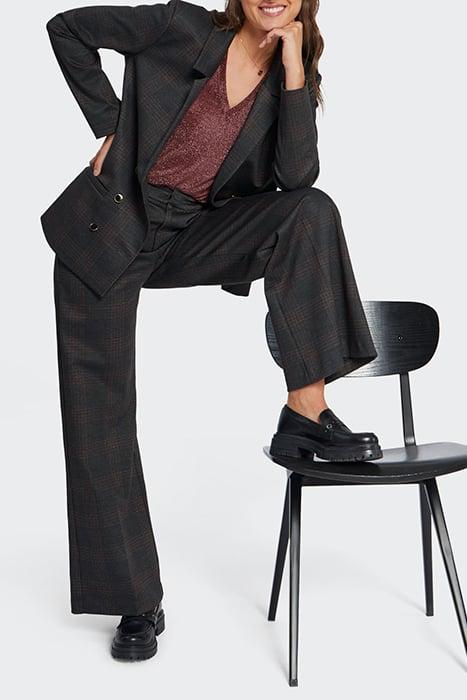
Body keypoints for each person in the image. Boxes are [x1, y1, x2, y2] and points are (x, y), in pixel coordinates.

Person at [42, 0, 382, 662]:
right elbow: (68, 29)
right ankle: (135, 601)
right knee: (99, 420)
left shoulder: (288, 76)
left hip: (191, 234)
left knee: (309, 212)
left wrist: (293, 68)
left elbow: (295, 179)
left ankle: (305, 410)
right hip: (107, 232)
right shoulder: (181, 28)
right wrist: (109, 124)